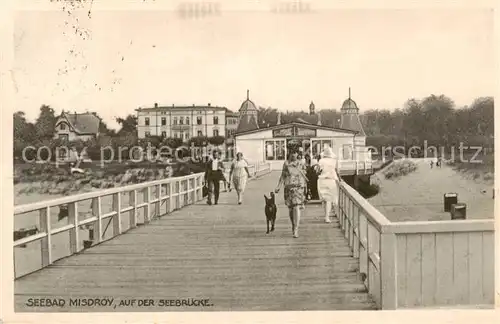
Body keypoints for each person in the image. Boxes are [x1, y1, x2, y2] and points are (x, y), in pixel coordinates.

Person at [274, 148, 308, 238]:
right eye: (292, 153)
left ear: (298, 154)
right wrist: (278, 186)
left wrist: (305, 189)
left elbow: (305, 176)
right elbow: (283, 176)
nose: (294, 155)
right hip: (288, 187)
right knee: (290, 209)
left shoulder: (301, 163)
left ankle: (296, 229)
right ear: (289, 154)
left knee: (296, 207)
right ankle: (293, 225)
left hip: (298, 187)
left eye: (295, 153)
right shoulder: (286, 164)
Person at [316, 146, 341, 223]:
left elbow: (317, 171)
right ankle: (327, 217)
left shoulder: (321, 161)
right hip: (331, 181)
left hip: (322, 181)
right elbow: (337, 171)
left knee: (325, 200)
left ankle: (326, 215)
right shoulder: (334, 161)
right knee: (329, 200)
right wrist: (339, 179)